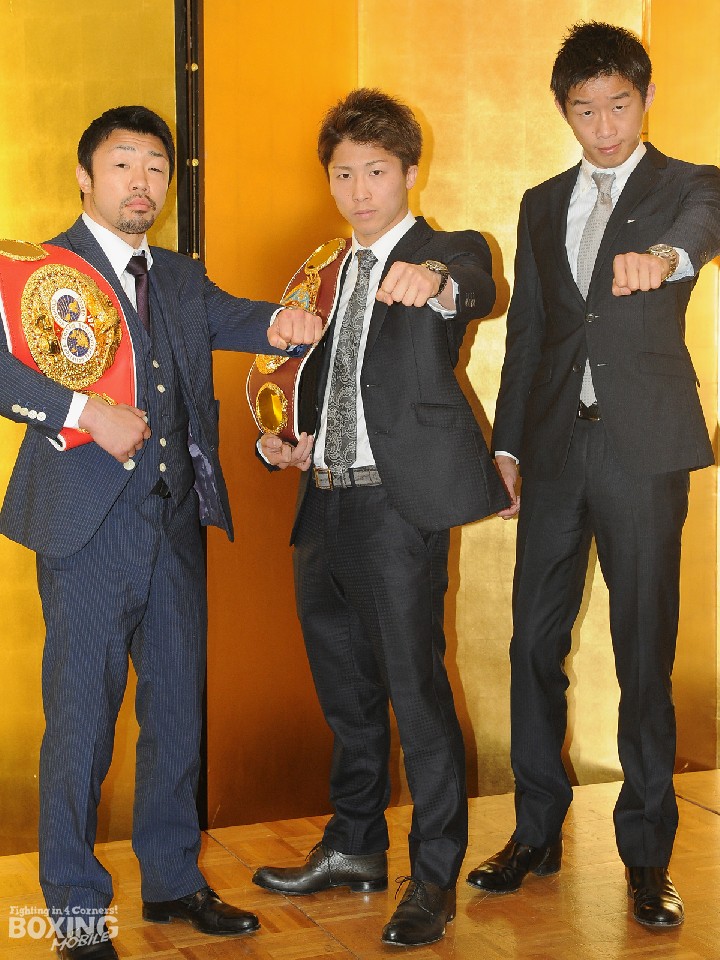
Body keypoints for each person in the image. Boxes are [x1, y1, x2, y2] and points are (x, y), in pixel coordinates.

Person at [0, 105, 319, 960]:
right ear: (84, 177)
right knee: (81, 725)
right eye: (122, 164)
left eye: (155, 167)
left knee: (176, 714)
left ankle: (175, 881)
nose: (141, 182)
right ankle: (75, 913)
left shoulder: (177, 274)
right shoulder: (41, 271)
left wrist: (287, 323)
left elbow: (237, 317)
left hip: (176, 523)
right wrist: (82, 410)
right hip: (87, 530)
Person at [466, 22, 720, 929]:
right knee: (532, 645)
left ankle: (646, 855)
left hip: (642, 449)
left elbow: (702, 230)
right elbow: (530, 333)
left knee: (644, 649)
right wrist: (507, 448)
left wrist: (666, 258)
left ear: (645, 100)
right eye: (586, 110)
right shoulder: (541, 203)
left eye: (620, 105)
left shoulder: (689, 184)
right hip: (553, 452)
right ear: (564, 112)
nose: (605, 127)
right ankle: (536, 831)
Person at [251, 88, 508, 948]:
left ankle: (432, 877)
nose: (359, 190)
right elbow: (314, 379)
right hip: (321, 502)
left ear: (408, 172)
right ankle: (356, 845)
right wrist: (288, 443)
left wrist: (435, 282)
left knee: (415, 695)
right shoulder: (325, 272)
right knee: (347, 696)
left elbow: (478, 287)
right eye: (343, 174)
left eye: (375, 171)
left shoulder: (447, 249)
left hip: (398, 510)